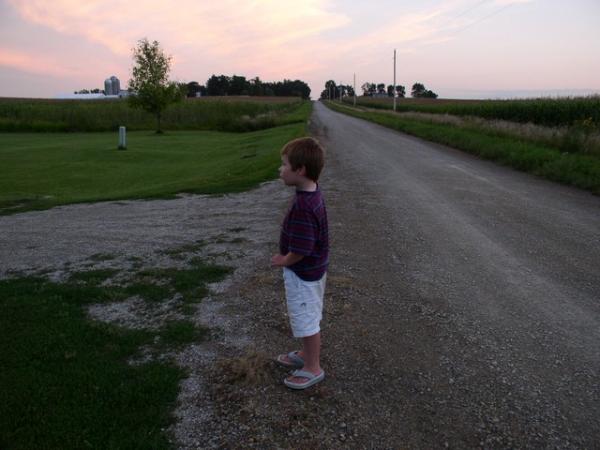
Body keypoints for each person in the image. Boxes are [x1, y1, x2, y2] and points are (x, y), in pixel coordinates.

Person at [271, 136, 329, 390]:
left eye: (284, 165)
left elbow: (303, 248)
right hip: (312, 271)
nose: (280, 170)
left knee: (306, 318)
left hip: (303, 273)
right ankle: (306, 355)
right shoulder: (312, 192)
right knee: (309, 313)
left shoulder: (305, 207)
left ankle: (312, 367)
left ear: (300, 170)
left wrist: (285, 259)